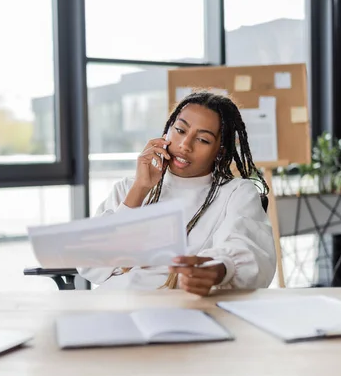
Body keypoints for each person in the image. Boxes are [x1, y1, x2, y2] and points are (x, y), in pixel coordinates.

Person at [78, 91, 276, 296]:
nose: (185, 145)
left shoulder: (235, 193)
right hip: (112, 303)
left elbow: (249, 252)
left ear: (221, 151)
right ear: (167, 131)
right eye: (180, 130)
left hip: (177, 308)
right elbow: (90, 266)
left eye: (203, 140)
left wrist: (218, 269)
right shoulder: (129, 187)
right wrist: (140, 189)